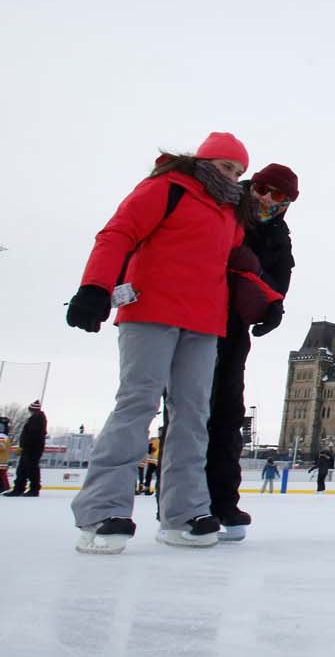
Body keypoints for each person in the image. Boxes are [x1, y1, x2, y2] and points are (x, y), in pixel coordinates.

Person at [64, 132, 255, 554]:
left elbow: (230, 263)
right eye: (227, 167)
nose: (232, 177)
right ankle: (101, 511)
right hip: (150, 311)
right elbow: (117, 233)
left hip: (203, 323)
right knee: (137, 404)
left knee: (193, 416)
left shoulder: (231, 216)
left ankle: (184, 513)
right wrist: (95, 286)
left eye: (239, 172)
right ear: (204, 160)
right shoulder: (165, 189)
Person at [205, 163, 298, 541]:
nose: (267, 199)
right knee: (190, 414)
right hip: (193, 321)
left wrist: (274, 305)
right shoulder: (222, 209)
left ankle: (223, 501)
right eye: (262, 188)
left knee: (228, 415)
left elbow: (281, 276)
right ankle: (183, 504)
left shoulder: (279, 234)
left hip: (233, 328)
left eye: (279, 196)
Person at [5, 401, 47, 497]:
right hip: (29, 448)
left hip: (32, 449)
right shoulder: (35, 418)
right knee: (22, 469)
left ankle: (33, 489)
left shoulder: (37, 419)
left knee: (31, 469)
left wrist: (23, 446)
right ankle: (19, 488)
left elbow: (32, 435)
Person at [0, 417, 12, 493]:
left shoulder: (2, 436)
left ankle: (5, 487)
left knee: (2, 474)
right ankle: (3, 487)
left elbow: (2, 446)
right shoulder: (4, 435)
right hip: (2, 459)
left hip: (1, 460)